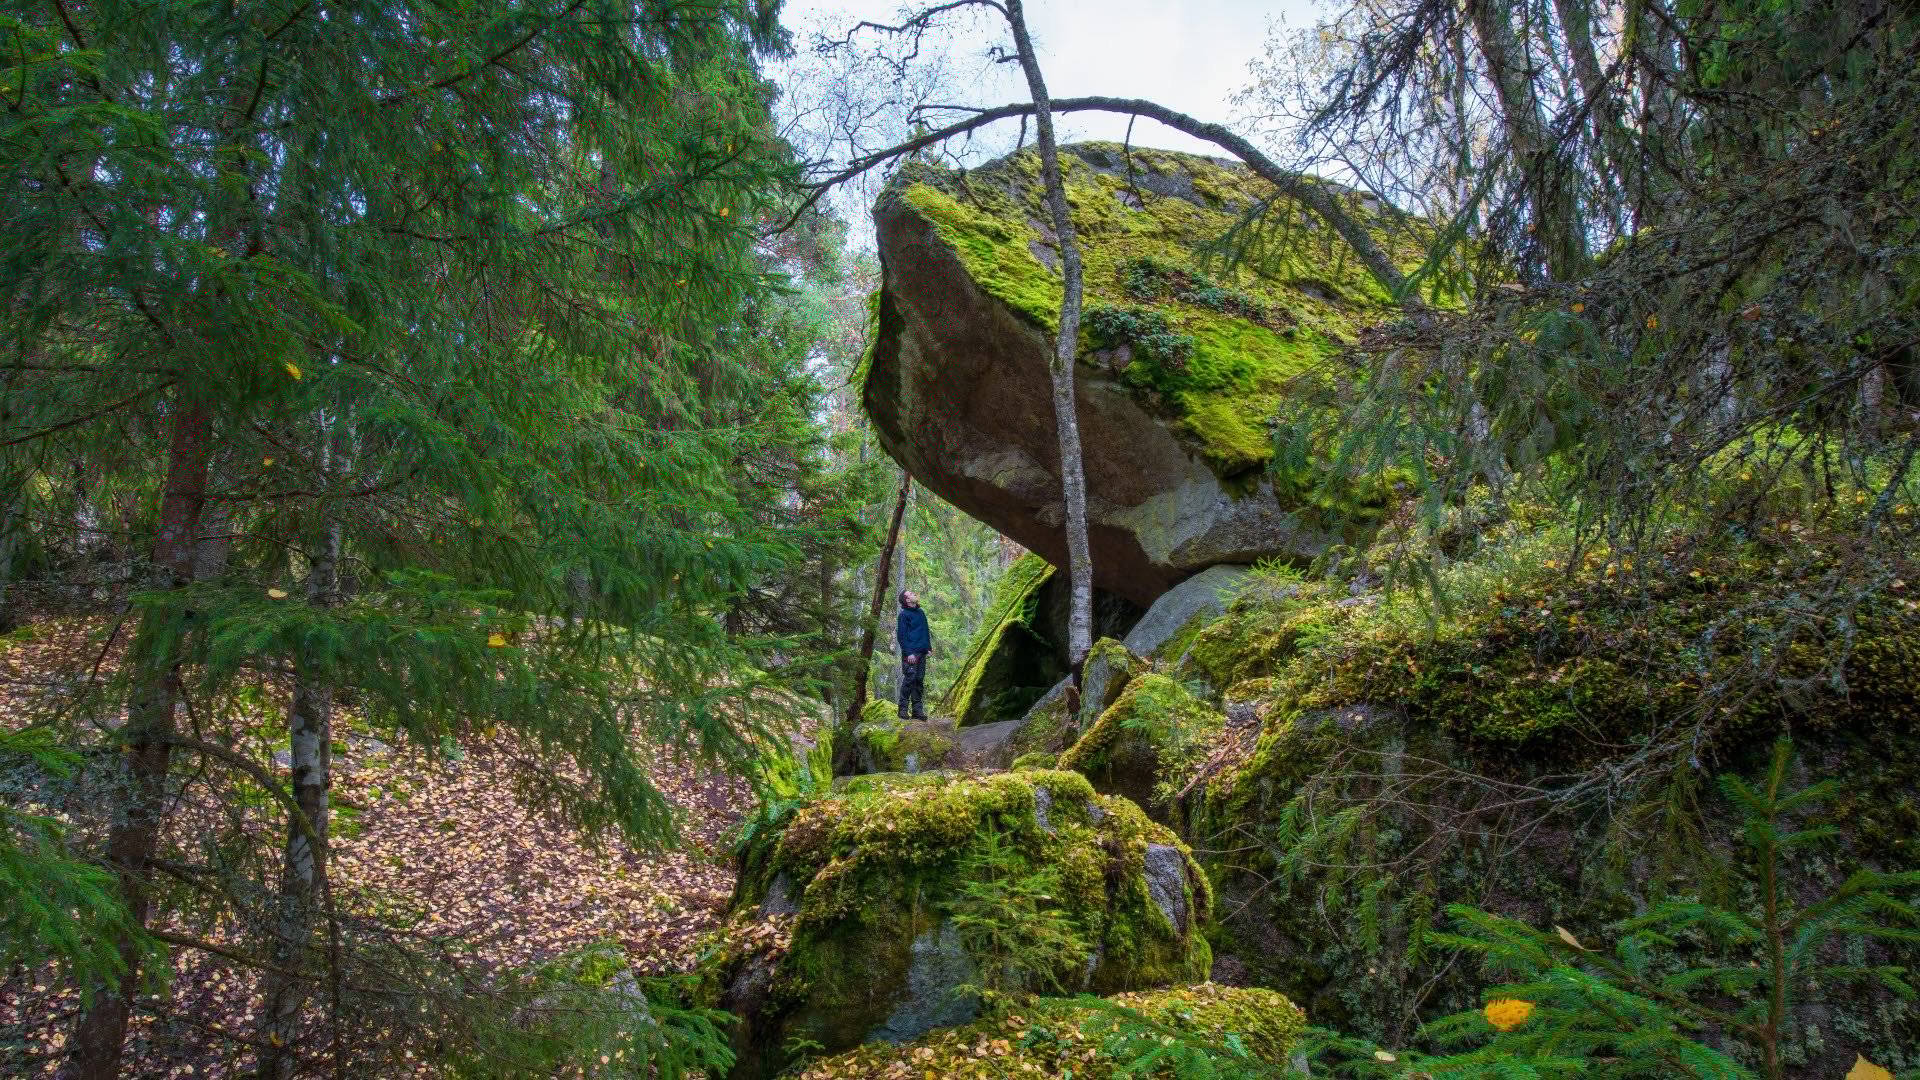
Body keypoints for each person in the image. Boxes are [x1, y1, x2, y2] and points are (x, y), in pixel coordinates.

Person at [895, 589, 931, 721]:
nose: (914, 594)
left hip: (922, 652)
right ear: (907, 600)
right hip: (910, 654)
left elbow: (925, 630)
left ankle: (917, 711)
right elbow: (901, 636)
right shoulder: (904, 615)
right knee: (910, 679)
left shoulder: (920, 613)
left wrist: (928, 647)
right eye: (910, 594)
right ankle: (902, 710)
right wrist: (909, 653)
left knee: (919, 680)